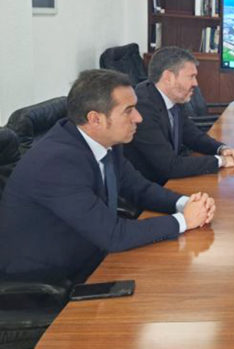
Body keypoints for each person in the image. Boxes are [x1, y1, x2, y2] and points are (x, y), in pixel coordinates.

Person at [0, 70, 216, 284]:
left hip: (92, 253)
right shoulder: (56, 163)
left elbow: (139, 189)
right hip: (49, 279)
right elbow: (113, 235)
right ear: (95, 119)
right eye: (128, 111)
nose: (138, 118)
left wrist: (186, 203)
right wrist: (184, 220)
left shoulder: (106, 142)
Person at [124, 47, 234, 185]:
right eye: (191, 76)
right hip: (150, 187)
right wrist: (221, 161)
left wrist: (222, 149)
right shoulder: (143, 108)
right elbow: (169, 166)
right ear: (168, 77)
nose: (195, 83)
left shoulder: (173, 98)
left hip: (168, 181)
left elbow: (192, 135)